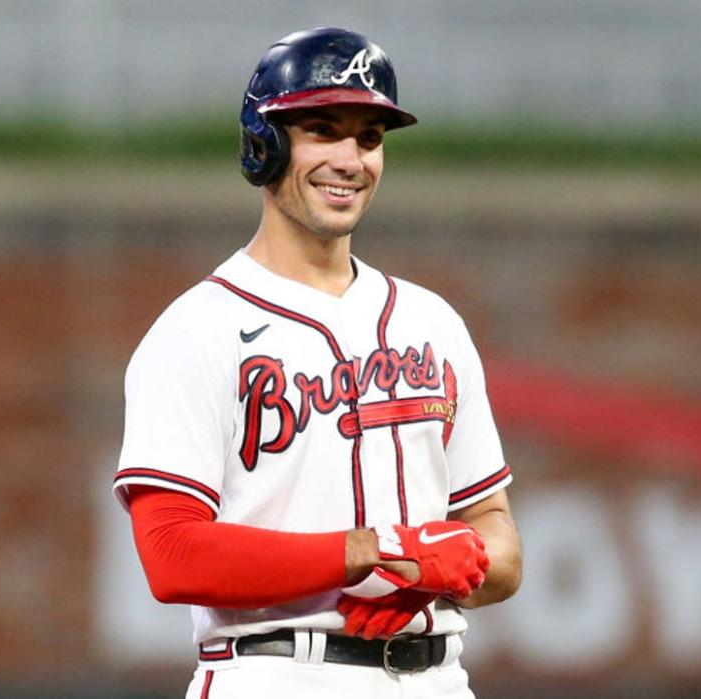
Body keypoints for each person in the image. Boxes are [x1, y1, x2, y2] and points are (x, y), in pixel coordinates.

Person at [113, 27, 522, 699]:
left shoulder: (433, 323)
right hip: (276, 670)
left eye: (368, 137)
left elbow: (499, 541)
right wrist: (374, 549)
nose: (350, 158)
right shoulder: (196, 331)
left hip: (438, 678)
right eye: (323, 130)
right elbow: (171, 554)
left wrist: (448, 563)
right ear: (264, 144)